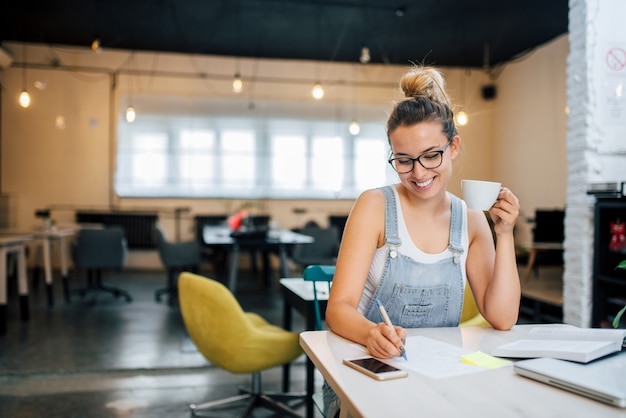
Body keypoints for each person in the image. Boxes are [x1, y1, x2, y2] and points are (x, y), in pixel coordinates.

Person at [323, 65, 521, 417]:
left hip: (437, 378)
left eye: (432, 155)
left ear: (454, 146)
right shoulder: (375, 206)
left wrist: (504, 235)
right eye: (403, 160)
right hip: (368, 372)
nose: (418, 172)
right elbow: (337, 309)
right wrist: (371, 334)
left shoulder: (472, 220)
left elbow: (502, 318)